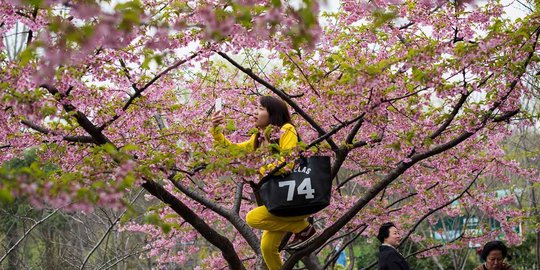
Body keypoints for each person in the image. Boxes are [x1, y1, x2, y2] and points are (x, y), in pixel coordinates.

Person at [210, 95, 317, 270]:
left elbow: (288, 162)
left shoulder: (286, 129)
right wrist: (216, 129)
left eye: (260, 109)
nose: (254, 112)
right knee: (267, 248)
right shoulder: (258, 139)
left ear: (273, 113)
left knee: (252, 217)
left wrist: (262, 170)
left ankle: (303, 228)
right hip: (280, 200)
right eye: (255, 108)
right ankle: (302, 229)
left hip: (294, 197)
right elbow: (231, 150)